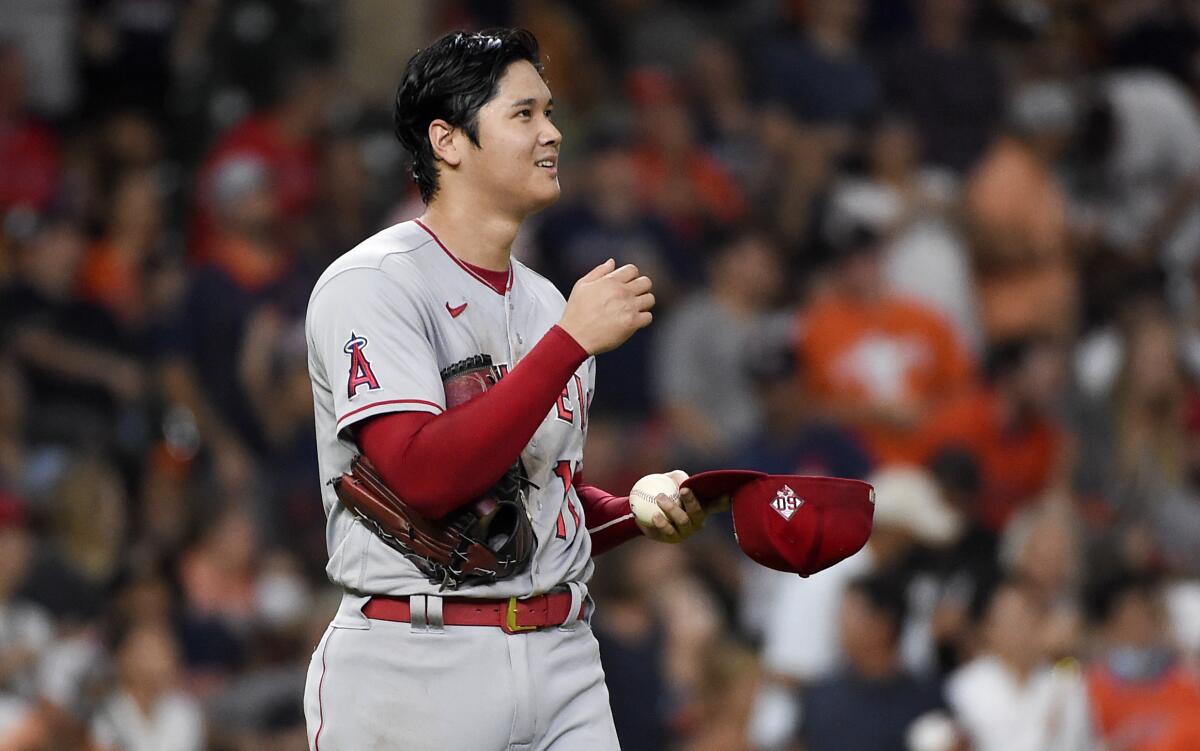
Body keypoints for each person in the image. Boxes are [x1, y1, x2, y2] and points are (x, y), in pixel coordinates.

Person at [301, 29, 716, 750]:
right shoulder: (375, 284)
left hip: (563, 655)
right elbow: (427, 477)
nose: (553, 132)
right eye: (523, 114)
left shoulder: (550, 304)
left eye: (549, 112)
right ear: (449, 140)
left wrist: (631, 512)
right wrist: (568, 344)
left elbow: (535, 499)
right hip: (414, 662)